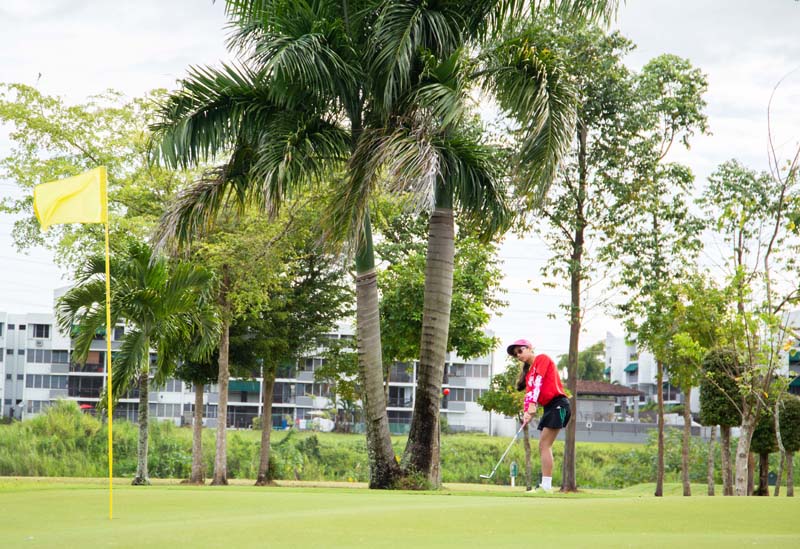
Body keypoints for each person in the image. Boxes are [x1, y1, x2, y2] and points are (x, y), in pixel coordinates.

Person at [507, 338, 571, 493]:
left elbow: (538, 383)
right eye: (516, 354)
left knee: (544, 445)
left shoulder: (542, 359)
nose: (519, 355)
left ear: (529, 348)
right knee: (543, 445)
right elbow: (529, 393)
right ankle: (546, 485)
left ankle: (547, 486)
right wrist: (526, 412)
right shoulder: (529, 375)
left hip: (559, 404)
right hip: (550, 407)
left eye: (520, 350)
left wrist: (532, 406)